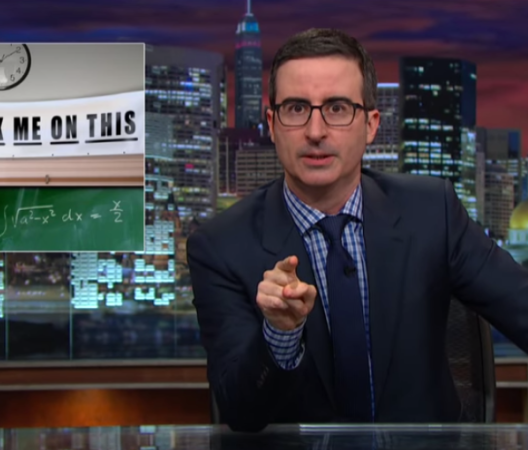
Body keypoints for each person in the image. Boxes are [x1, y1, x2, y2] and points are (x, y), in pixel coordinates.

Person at [186, 27, 528, 432]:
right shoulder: (220, 245)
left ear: (370, 124)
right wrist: (279, 334)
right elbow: (240, 412)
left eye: (337, 108)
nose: (315, 132)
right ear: (273, 124)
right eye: (296, 108)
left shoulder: (432, 212)